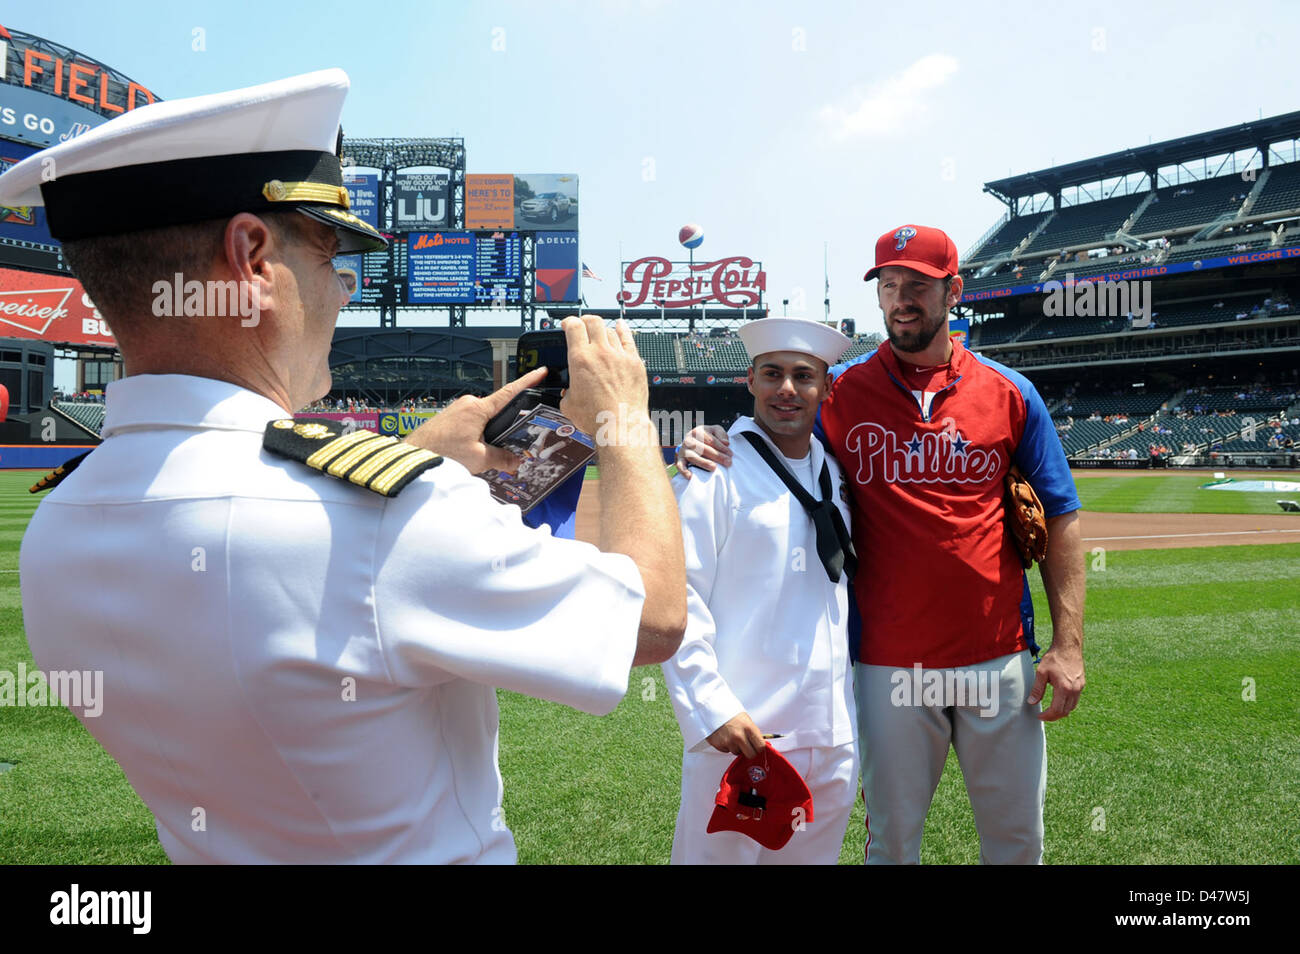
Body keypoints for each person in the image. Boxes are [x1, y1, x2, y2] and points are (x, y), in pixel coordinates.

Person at [5, 69, 686, 864]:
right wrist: (625, 417)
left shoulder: (59, 522)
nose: (344, 290)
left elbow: (271, 550)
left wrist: (403, 465)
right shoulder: (385, 519)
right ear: (252, 257)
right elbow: (652, 618)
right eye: (329, 254)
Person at [680, 224, 1086, 864]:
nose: (902, 299)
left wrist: (1067, 645)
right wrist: (707, 439)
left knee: (1017, 842)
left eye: (918, 285)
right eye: (890, 285)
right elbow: (778, 412)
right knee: (891, 844)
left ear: (953, 290)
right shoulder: (842, 389)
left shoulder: (1012, 393)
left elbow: (1061, 515)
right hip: (888, 666)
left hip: (997, 657)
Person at [663, 317, 858, 865]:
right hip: (745, 735)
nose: (787, 389)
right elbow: (680, 597)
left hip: (833, 735)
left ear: (826, 387)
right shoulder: (714, 470)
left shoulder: (835, 474)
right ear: (750, 381)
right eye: (772, 374)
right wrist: (712, 708)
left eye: (804, 376)